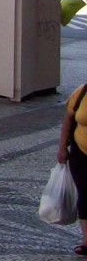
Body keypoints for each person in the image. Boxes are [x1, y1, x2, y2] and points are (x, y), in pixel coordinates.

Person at [57, 84, 87, 256]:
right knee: (85, 195)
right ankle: (86, 241)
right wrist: (62, 147)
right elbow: (69, 118)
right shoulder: (82, 92)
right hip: (80, 154)